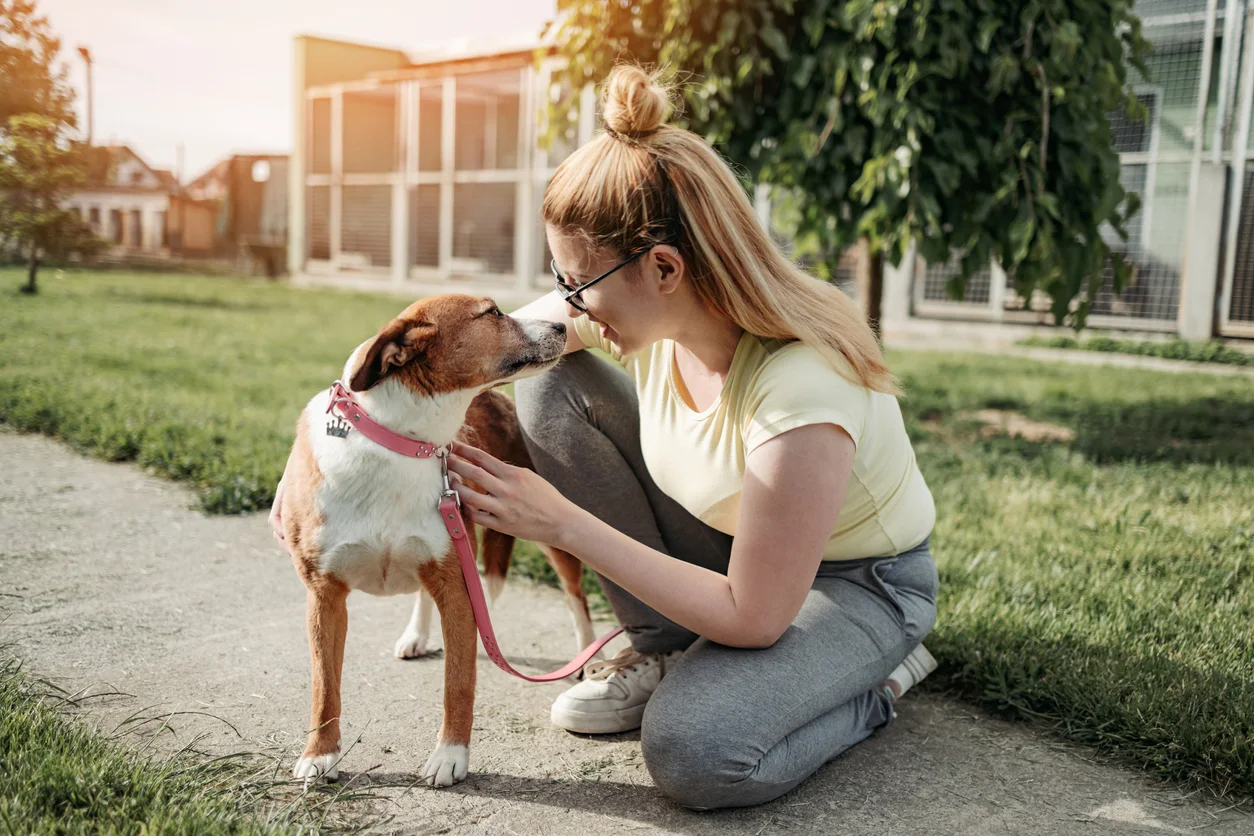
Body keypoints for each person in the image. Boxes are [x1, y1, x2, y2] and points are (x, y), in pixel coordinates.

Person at [273, 64, 939, 811]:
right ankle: (665, 649)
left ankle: (878, 682)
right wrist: (340, 425)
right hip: (733, 543)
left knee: (696, 751)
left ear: (662, 268)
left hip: (852, 585)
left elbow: (757, 615)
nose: (567, 304)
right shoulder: (656, 309)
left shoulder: (805, 385)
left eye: (577, 284)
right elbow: (498, 342)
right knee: (551, 377)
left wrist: (559, 522)